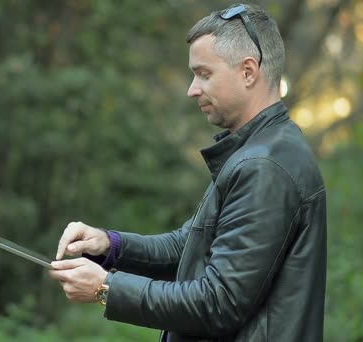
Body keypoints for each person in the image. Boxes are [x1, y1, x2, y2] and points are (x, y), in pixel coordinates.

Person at [48, 3, 327, 341]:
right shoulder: (259, 151)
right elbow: (189, 246)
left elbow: (219, 303)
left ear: (249, 71)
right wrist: (110, 245)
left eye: (204, 73)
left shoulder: (264, 166)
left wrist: (106, 289)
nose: (192, 89)